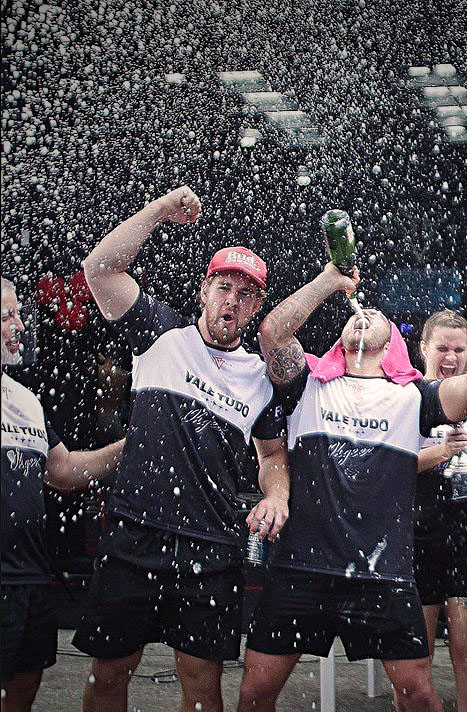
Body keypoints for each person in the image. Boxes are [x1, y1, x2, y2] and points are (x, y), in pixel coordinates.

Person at [238, 262, 467, 712]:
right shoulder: (309, 384)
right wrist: (330, 282)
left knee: (419, 695)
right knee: (254, 694)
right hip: (303, 567)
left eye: (376, 315)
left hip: (381, 573)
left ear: (392, 342)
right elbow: (273, 333)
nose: (363, 315)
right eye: (355, 313)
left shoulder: (412, 397)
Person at [72, 187, 290, 712]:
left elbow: (273, 457)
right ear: (203, 290)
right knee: (109, 676)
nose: (231, 300)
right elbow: (99, 270)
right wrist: (156, 211)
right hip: (135, 534)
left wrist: (277, 496)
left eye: (245, 293)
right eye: (223, 286)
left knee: (201, 688)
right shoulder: (160, 333)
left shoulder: (261, 379)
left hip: (211, 547)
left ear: (257, 306)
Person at [1, 277, 125, 712]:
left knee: (24, 684)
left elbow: (65, 471)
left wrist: (136, 440)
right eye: (7, 316)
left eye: (18, 314)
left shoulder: (25, 401)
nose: (19, 325)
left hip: (30, 576)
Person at [413, 309, 467, 712]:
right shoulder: (403, 397)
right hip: (416, 535)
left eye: (459, 349)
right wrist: (439, 454)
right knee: (415, 664)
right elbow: (389, 464)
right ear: (423, 349)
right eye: (442, 348)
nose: (450, 357)